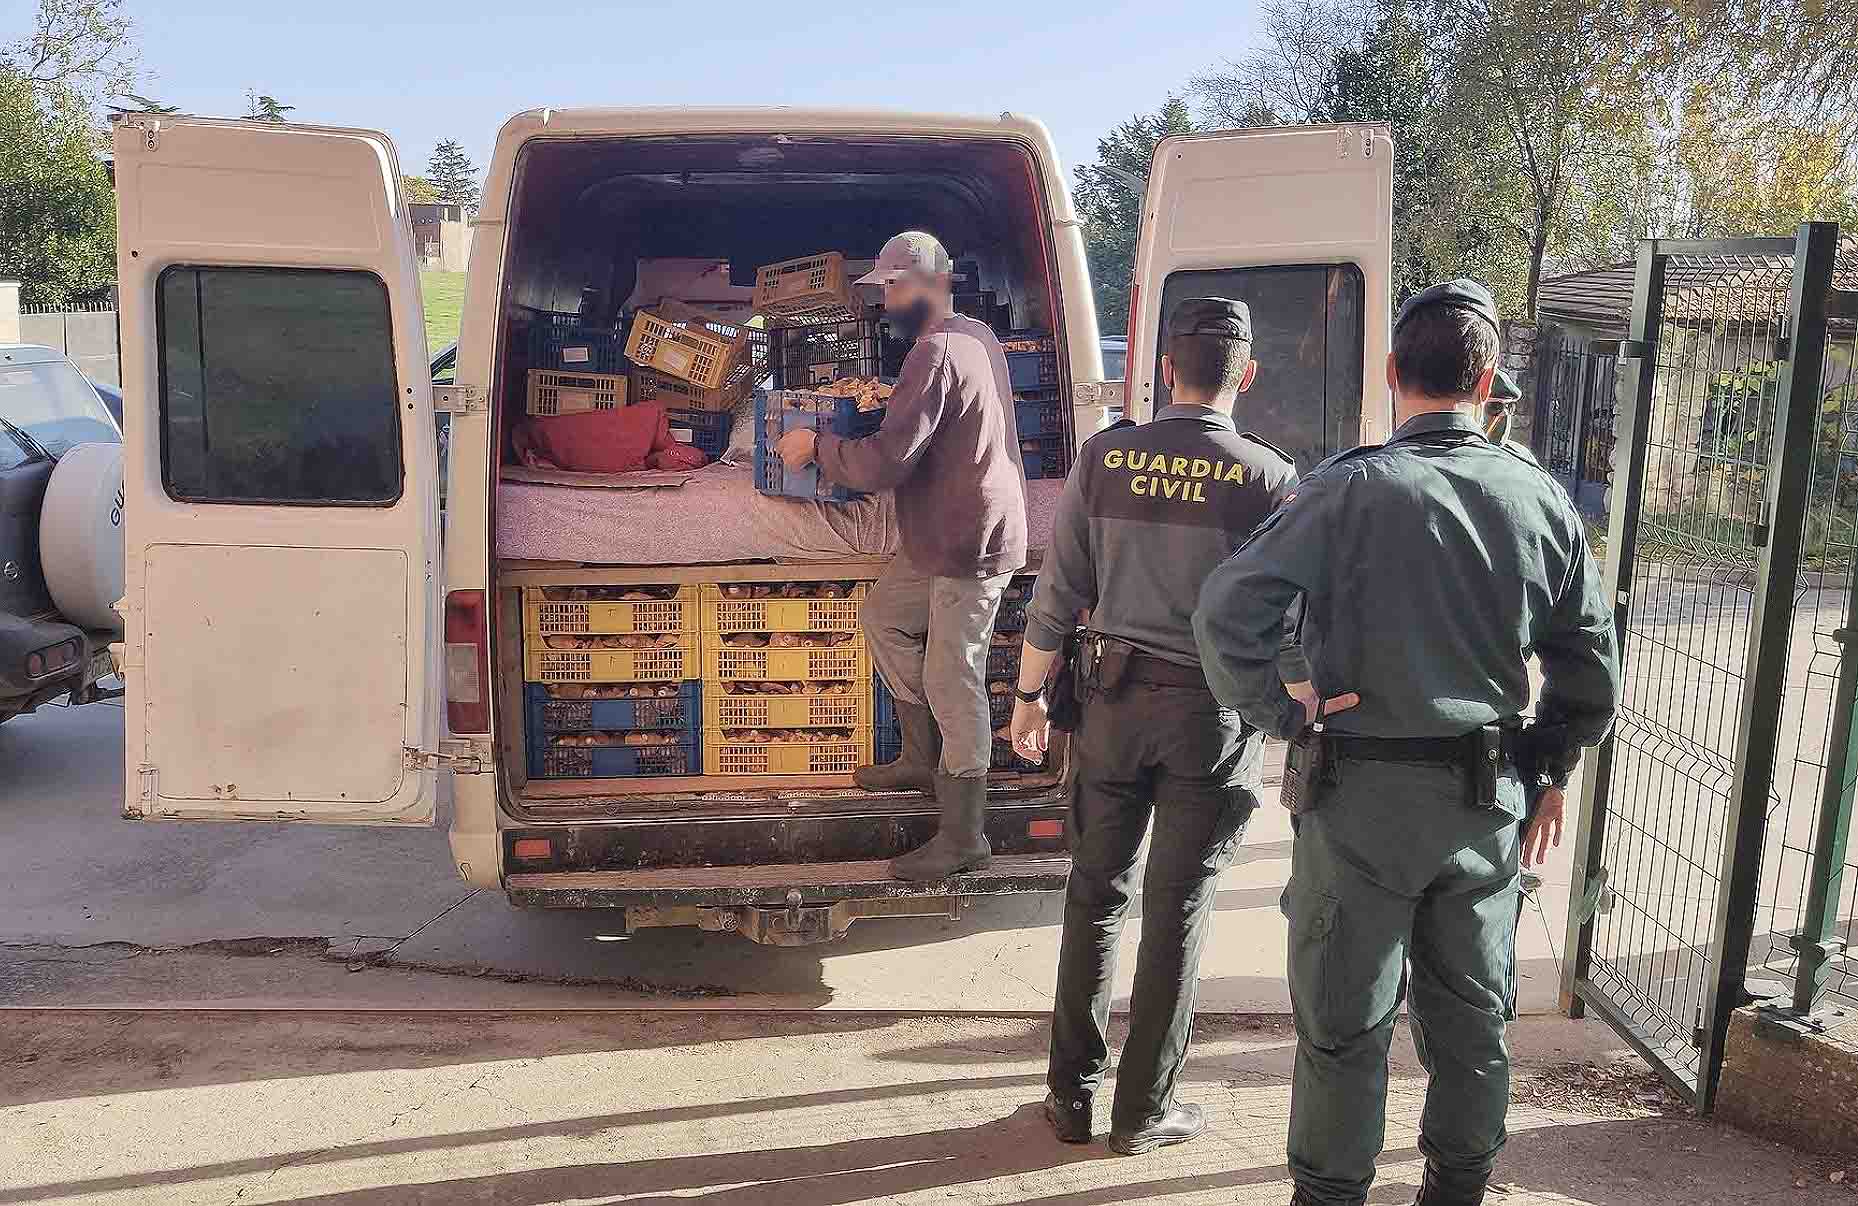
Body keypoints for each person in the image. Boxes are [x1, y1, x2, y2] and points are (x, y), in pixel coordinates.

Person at [1192, 279, 1620, 1206]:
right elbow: (1589, 667)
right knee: (1472, 1023)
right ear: (1490, 378)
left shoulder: (1344, 491)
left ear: (1392, 374)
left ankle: (1332, 1195)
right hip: (1485, 802)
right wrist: (1549, 766)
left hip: (1359, 801)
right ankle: (1457, 1190)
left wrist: (1284, 713)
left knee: (1346, 1024)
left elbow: (1229, 610)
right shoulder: (1540, 500)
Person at [1008, 298, 1298, 1154]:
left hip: (1112, 706)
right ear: (1243, 376)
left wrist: (1029, 697)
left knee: (1095, 896)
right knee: (1177, 912)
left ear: (1166, 368)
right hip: (1210, 719)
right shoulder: (1269, 477)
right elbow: (1284, 619)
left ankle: (1070, 1098)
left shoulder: (1106, 458)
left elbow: (1057, 591)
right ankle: (1142, 1114)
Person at [775, 230, 1027, 882]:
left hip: (970, 540)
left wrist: (815, 449)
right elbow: (936, 419)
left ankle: (965, 834)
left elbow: (885, 462)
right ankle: (921, 756)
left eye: (892, 288)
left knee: (954, 676)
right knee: (885, 616)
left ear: (927, 285)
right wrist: (897, 405)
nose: (885, 301)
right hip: (941, 527)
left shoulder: (935, 353)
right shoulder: (973, 335)